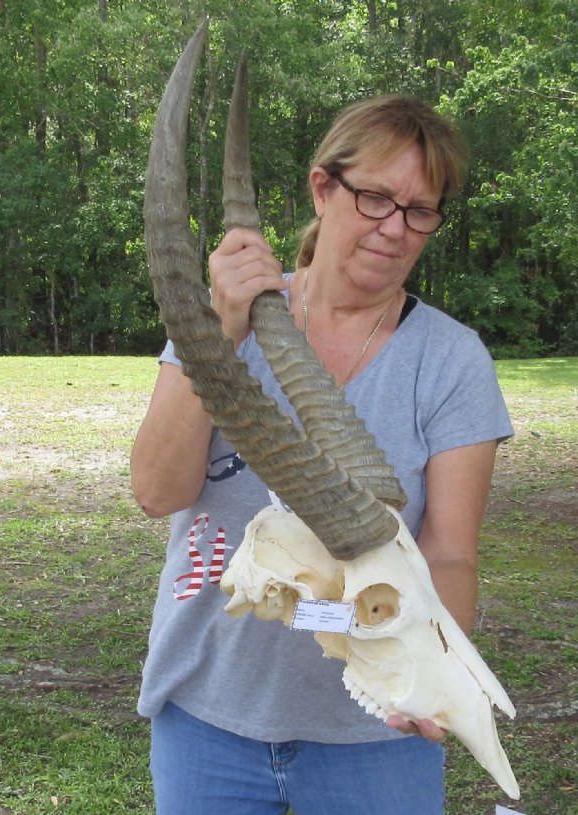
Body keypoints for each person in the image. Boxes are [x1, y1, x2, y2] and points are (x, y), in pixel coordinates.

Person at [130, 94, 513, 815]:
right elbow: (157, 490)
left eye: (420, 210)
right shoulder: (225, 318)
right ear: (322, 188)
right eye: (376, 198)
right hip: (207, 714)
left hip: (374, 736)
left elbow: (450, 551)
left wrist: (434, 670)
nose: (395, 228)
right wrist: (219, 328)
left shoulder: (451, 361)